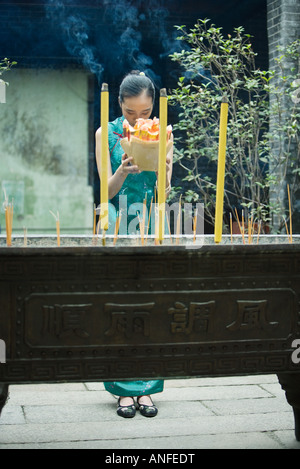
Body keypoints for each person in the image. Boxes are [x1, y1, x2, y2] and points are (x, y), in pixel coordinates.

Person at [95, 71, 173, 418]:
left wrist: (166, 166)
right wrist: (124, 169)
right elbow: (104, 193)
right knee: (120, 306)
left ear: (153, 107)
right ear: (120, 105)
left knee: (153, 304)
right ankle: (123, 390)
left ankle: (148, 389)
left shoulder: (163, 131)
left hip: (151, 220)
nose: (138, 120)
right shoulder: (105, 133)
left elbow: (164, 193)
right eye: (130, 113)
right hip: (118, 221)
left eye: (144, 113)